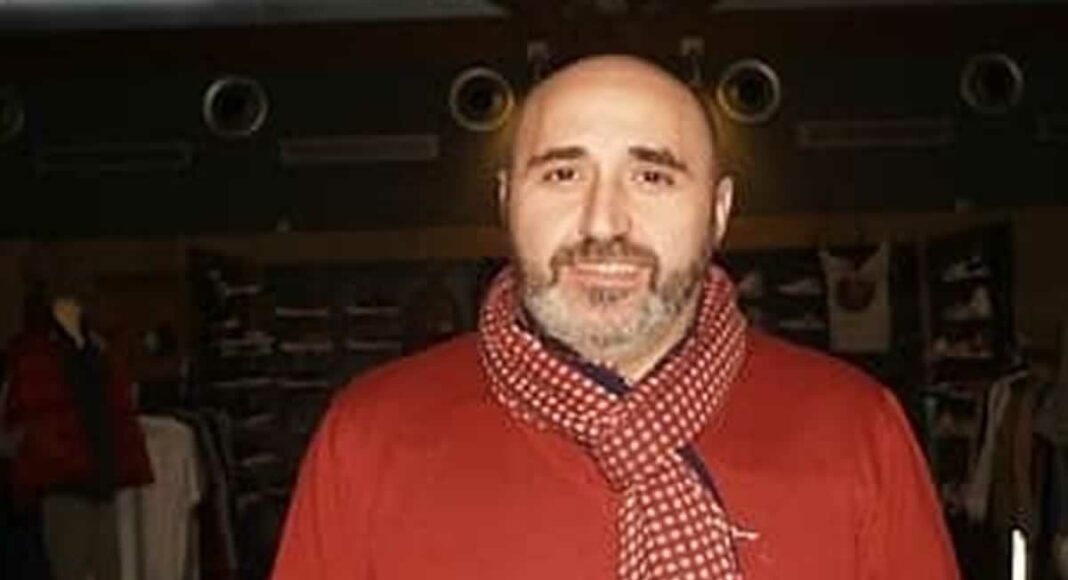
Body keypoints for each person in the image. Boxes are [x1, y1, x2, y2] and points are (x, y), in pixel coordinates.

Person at [271, 54, 959, 580]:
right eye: (562, 174)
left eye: (652, 176)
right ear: (507, 200)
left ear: (718, 212)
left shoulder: (856, 429)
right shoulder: (371, 436)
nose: (604, 223)